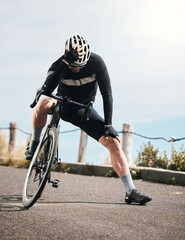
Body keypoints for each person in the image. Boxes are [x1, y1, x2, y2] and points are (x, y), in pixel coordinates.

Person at [25, 33, 152, 205]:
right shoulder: (59, 64)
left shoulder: (96, 63)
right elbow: (47, 89)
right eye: (74, 66)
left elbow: (107, 94)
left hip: (83, 110)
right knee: (42, 104)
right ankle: (34, 143)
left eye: (80, 66)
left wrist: (108, 124)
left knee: (114, 142)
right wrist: (64, 65)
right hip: (61, 103)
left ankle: (131, 191)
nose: (77, 69)